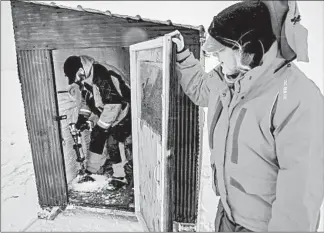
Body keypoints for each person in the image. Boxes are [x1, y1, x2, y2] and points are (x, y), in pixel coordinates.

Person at [172, 1, 324, 232]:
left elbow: (299, 195)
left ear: (247, 49)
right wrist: (183, 56)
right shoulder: (227, 80)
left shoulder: (295, 97)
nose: (216, 58)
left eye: (221, 50)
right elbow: (200, 89)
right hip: (227, 217)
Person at [63, 55, 133, 190]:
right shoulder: (85, 80)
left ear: (81, 69)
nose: (77, 80)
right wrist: (81, 120)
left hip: (126, 111)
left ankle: (121, 176)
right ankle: (91, 171)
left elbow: (114, 103)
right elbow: (86, 103)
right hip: (110, 112)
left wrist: (103, 127)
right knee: (97, 137)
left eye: (76, 76)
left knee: (113, 141)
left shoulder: (101, 74)